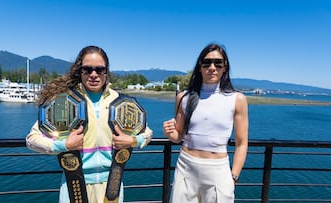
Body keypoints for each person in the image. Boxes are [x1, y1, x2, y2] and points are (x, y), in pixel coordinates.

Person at [26, 45, 153, 203]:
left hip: (113, 185)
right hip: (75, 185)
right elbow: (32, 140)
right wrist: (64, 145)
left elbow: (147, 133)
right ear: (80, 71)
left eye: (100, 70)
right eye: (87, 69)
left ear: (106, 72)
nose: (94, 75)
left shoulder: (121, 102)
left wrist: (133, 141)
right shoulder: (63, 102)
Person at [163, 43, 248, 203]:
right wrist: (169, 133)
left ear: (225, 67)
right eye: (207, 62)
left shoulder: (237, 99)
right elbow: (178, 136)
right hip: (186, 167)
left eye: (218, 63)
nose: (212, 67)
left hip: (219, 170)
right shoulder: (184, 97)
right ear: (200, 67)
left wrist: (233, 177)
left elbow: (242, 143)